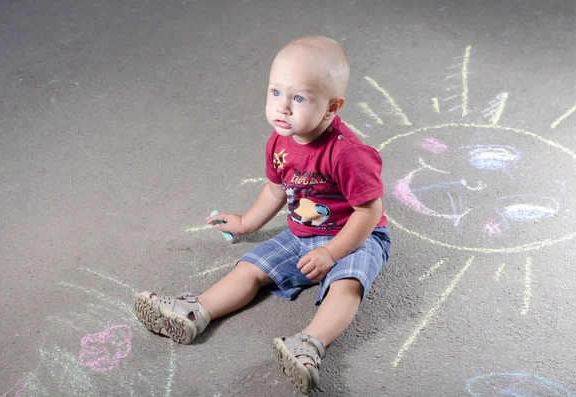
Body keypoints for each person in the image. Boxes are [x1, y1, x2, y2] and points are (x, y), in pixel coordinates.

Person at [133, 35, 391, 393]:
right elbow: (276, 190)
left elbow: (369, 209)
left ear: (332, 107)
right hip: (303, 230)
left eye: (298, 98)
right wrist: (246, 222)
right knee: (251, 267)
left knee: (347, 284)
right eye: (275, 93)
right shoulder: (278, 143)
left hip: (354, 234)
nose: (282, 108)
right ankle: (195, 312)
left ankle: (308, 344)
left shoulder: (348, 154)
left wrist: (332, 252)